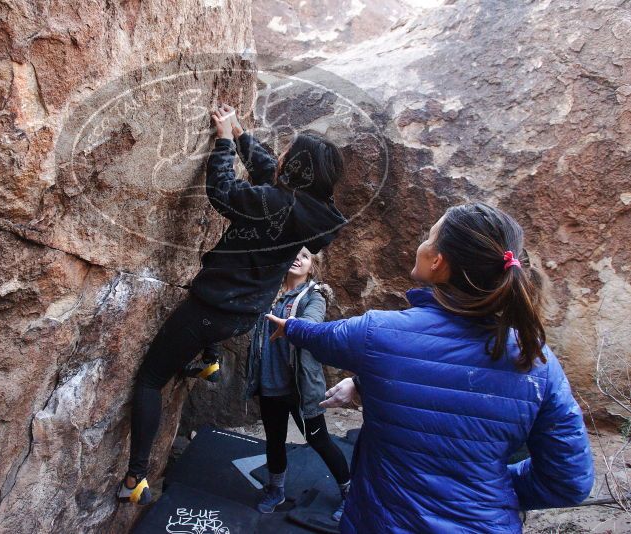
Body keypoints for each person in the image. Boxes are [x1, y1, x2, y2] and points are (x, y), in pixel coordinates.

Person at [266, 203, 594, 533]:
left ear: (437, 262)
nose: (423, 243)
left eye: (429, 236)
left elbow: (324, 337)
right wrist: (486, 488)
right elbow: (570, 481)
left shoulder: (378, 333)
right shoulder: (537, 360)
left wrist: (289, 328)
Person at [117, 104, 348, 505]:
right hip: (243, 314)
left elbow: (223, 192)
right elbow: (266, 177)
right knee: (201, 339)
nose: (280, 156)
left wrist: (223, 141)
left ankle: (134, 475)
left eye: (287, 153)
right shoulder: (310, 213)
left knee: (151, 379)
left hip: (212, 310)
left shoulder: (275, 202)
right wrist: (240, 134)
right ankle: (210, 360)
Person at [246, 246, 351, 519]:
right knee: (275, 440)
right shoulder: (270, 293)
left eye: (304, 256)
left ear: (312, 266)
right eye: (294, 252)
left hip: (300, 387)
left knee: (319, 441)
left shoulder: (314, 296)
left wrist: (291, 325)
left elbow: (312, 324)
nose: (297, 258)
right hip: (269, 382)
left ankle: (350, 494)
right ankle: (276, 490)